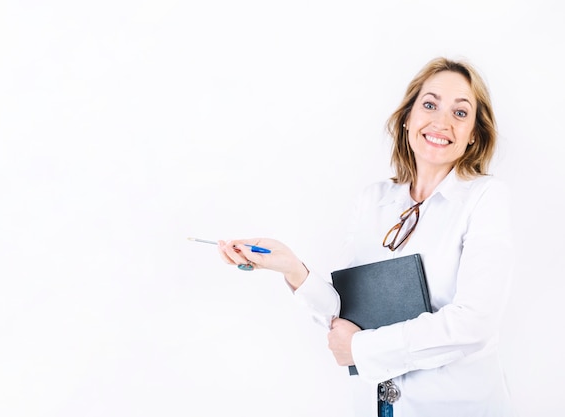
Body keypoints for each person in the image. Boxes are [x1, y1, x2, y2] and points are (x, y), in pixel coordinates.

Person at [216, 57, 515, 417]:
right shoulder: (372, 200)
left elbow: (474, 324)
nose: (442, 121)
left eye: (461, 113)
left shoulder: (484, 197)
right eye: (430, 104)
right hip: (379, 406)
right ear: (408, 118)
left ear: (474, 136)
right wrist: (293, 269)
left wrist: (362, 348)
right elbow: (349, 311)